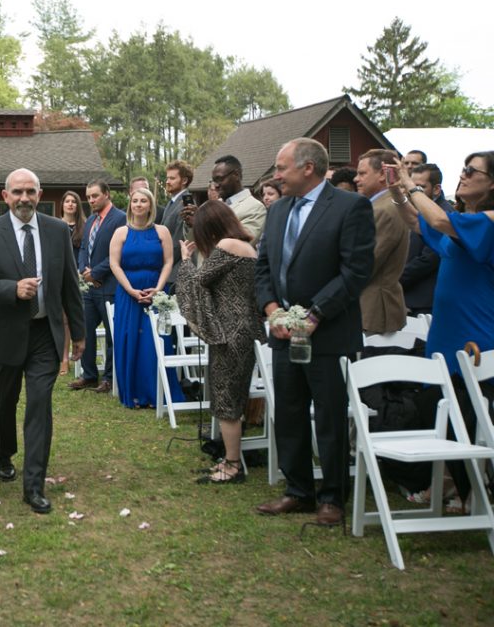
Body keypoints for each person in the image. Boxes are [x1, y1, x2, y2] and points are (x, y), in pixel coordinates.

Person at [254, 137, 375, 526]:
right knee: (289, 412)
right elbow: (263, 267)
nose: (276, 175)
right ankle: (298, 491)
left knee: (329, 416)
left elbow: (356, 271)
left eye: (281, 167)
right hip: (283, 334)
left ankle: (332, 497)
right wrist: (273, 310)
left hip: (328, 334)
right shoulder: (277, 210)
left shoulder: (350, 207)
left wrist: (316, 313)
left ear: (308, 168)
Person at [0, 169, 85, 514]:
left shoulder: (58, 230)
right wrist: (10, 289)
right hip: (5, 333)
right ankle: (3, 454)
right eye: (17, 192)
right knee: (4, 401)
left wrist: (79, 332)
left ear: (40, 194)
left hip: (45, 333)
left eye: (30, 191)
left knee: (39, 405)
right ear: (5, 196)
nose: (24, 198)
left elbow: (70, 284)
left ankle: (34, 485)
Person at [389, 150, 494, 505]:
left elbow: (437, 220)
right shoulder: (467, 222)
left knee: (470, 416)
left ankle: (474, 494)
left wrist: (411, 184)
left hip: (476, 337)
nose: (463, 175)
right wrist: (396, 190)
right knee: (445, 411)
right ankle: (460, 489)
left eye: (471, 171)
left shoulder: (488, 222)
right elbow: (418, 222)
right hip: (447, 335)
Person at [175, 201, 265, 483]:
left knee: (227, 400)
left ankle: (233, 465)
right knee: (233, 396)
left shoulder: (227, 245)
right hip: (245, 329)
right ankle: (229, 458)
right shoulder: (246, 246)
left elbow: (200, 281)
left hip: (230, 332)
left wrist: (185, 260)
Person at [107, 187, 182, 409]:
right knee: (129, 339)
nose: (138, 204)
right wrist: (130, 290)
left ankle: (156, 392)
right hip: (128, 292)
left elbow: (168, 261)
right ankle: (133, 393)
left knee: (154, 341)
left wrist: (158, 289)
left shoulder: (162, 231)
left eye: (143, 201)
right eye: (135, 201)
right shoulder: (121, 232)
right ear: (130, 205)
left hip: (156, 291)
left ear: (150, 206)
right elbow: (114, 264)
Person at [71, 180, 126, 393]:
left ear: (107, 194)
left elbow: (119, 253)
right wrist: (84, 270)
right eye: (88, 197)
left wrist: (96, 272)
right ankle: (89, 375)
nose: (91, 200)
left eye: (95, 196)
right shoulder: (91, 220)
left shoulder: (120, 218)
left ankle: (109, 378)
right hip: (89, 288)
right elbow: (84, 248)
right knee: (84, 329)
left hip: (109, 285)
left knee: (112, 334)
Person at [355, 149, 409, 335]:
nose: (356, 179)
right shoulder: (384, 205)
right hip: (374, 305)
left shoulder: (382, 210)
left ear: (382, 174)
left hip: (373, 309)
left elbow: (365, 263)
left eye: (362, 173)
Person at [400, 163, 452, 316]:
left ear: (436, 189)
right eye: (411, 186)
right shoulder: (416, 211)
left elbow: (429, 259)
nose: (413, 192)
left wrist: (395, 280)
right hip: (411, 296)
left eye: (420, 187)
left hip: (424, 303)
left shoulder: (443, 215)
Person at [209, 155, 267, 245]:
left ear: (236, 175)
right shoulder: (215, 206)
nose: (216, 185)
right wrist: (195, 224)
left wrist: (206, 227)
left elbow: (241, 245)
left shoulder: (256, 208)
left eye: (220, 179)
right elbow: (193, 245)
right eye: (214, 181)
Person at [59, 190, 86, 375]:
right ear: (62, 205)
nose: (70, 204)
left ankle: (82, 355)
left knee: (78, 318)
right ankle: (64, 358)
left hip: (82, 277)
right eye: (67, 201)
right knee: (64, 320)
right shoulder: (55, 225)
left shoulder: (86, 226)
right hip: (61, 277)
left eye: (74, 201)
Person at [161, 160, 194, 290]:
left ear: (184, 180)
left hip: (175, 274)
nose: (167, 181)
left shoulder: (187, 204)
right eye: (167, 178)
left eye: (172, 178)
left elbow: (179, 241)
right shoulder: (172, 202)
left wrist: (163, 264)